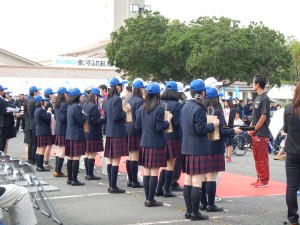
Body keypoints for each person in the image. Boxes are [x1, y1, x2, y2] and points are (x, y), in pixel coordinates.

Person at [180, 79, 219, 221]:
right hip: (198, 148)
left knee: (188, 180)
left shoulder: (185, 107)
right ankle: (195, 213)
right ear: (202, 92)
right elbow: (200, 129)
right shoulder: (199, 108)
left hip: (186, 147)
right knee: (196, 182)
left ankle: (189, 211)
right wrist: (213, 125)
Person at [201, 87, 242, 212]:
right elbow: (221, 131)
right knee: (212, 177)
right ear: (216, 98)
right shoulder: (217, 111)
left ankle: (203, 202)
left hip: (203, 146)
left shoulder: (201, 110)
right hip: (215, 145)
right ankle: (211, 204)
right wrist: (233, 130)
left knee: (203, 177)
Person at [136, 83, 172, 207]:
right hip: (156, 143)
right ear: (158, 94)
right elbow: (159, 127)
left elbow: (138, 126)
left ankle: (148, 199)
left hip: (144, 142)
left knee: (147, 172)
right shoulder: (159, 109)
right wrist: (168, 121)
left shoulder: (142, 108)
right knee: (154, 172)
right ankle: (151, 199)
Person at [155, 81, 182, 198]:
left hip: (161, 136)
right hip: (173, 136)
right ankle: (166, 190)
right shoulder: (177, 105)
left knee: (164, 165)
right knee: (170, 164)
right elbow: (177, 122)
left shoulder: (160, 103)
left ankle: (158, 188)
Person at [104, 77, 129, 193]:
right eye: (121, 86)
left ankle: (111, 185)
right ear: (117, 86)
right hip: (117, 132)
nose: (122, 88)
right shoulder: (117, 99)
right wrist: (125, 111)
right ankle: (113, 186)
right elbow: (117, 116)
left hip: (109, 131)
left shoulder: (106, 99)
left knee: (110, 159)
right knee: (115, 160)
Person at [249, 75, 271, 188]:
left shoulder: (265, 98)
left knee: (262, 158)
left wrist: (254, 129)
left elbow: (263, 117)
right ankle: (259, 177)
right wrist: (250, 128)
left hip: (261, 133)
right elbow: (255, 117)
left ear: (258, 84)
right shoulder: (257, 97)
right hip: (255, 132)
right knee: (257, 157)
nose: (252, 84)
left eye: (253, 82)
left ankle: (264, 180)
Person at [283, 81, 300, 225]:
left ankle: (293, 218)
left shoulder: (288, 109)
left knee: (292, 186)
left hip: (293, 152)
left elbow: (286, 129)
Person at [65, 88, 87, 186]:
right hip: (76, 134)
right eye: (80, 95)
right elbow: (81, 120)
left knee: (70, 157)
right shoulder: (77, 107)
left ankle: (70, 179)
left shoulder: (70, 106)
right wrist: (85, 116)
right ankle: (74, 179)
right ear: (77, 96)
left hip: (70, 134)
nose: (82, 96)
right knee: (76, 157)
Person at [83, 87, 106, 181]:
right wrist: (104, 119)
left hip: (86, 131)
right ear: (95, 96)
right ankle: (90, 174)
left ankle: (88, 173)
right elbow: (95, 121)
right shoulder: (93, 106)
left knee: (87, 154)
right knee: (92, 154)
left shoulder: (85, 104)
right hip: (93, 133)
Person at [125, 79, 145, 188]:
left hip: (127, 129)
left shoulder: (129, 99)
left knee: (130, 156)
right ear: (141, 88)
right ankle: (134, 181)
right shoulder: (140, 101)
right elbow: (138, 118)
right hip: (135, 131)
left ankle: (130, 180)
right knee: (135, 157)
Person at [34, 95, 52, 172]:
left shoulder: (36, 110)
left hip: (39, 131)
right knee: (42, 149)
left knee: (38, 149)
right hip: (43, 131)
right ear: (41, 102)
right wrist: (49, 112)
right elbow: (48, 119)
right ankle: (40, 166)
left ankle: (38, 165)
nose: (45, 102)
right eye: (44, 101)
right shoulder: (41, 110)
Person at [53, 87, 69, 177]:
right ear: (64, 94)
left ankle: (57, 170)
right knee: (62, 150)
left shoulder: (57, 104)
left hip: (58, 129)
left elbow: (55, 117)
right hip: (63, 129)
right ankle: (58, 171)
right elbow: (64, 118)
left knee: (59, 150)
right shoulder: (64, 104)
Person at [27, 86, 41, 164]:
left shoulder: (29, 100)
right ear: (35, 92)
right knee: (34, 142)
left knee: (31, 142)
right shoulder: (34, 101)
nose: (38, 93)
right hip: (34, 123)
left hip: (30, 123)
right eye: (37, 91)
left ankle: (30, 158)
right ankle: (33, 159)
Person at [43, 88, 56, 169]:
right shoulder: (49, 104)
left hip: (47, 127)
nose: (53, 95)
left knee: (47, 145)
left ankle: (45, 161)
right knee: (49, 145)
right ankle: (46, 162)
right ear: (50, 95)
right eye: (52, 94)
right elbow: (49, 116)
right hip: (49, 127)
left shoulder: (47, 102)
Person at [99, 84, 108, 175]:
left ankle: (105, 170)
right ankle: (105, 170)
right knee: (106, 150)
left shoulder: (105, 99)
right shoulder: (106, 99)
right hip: (107, 126)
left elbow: (103, 112)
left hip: (105, 126)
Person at [0, 85, 9, 153]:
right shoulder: (1, 100)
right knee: (2, 141)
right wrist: (10, 110)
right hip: (2, 123)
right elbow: (4, 111)